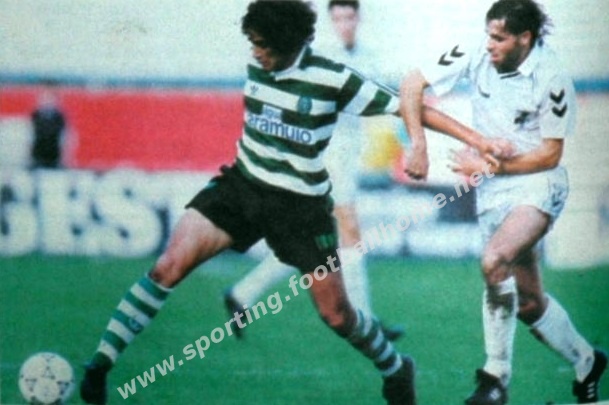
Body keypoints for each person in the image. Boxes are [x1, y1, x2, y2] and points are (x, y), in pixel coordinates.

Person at [80, 1, 500, 404]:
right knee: (167, 267)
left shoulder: (333, 79)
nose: (255, 52)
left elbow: (410, 106)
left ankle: (395, 367)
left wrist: (474, 141)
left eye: (262, 44)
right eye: (253, 42)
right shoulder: (257, 63)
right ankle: (101, 363)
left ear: (287, 43)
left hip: (301, 209)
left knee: (337, 316)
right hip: (242, 187)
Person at [400, 0, 607, 404]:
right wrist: (420, 146)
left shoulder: (552, 77)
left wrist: (489, 165)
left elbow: (550, 154)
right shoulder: (476, 50)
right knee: (528, 304)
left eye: (499, 38)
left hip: (538, 184)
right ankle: (587, 360)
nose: (489, 44)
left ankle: (495, 378)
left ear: (524, 38)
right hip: (493, 188)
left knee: (495, 260)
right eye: (488, 35)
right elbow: (411, 84)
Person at [224, 0, 404, 342]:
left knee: (307, 242)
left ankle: (242, 293)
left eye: (349, 16)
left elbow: (375, 104)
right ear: (330, 21)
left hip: (348, 154)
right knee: (349, 232)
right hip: (324, 154)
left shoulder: (369, 57)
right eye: (338, 18)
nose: (344, 24)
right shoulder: (320, 55)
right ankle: (366, 318)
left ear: (358, 18)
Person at [30, 84, 67, 169]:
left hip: (54, 159)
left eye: (50, 98)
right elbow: (29, 137)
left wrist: (63, 159)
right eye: (45, 98)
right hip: (37, 158)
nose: (47, 101)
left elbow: (65, 139)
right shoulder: (35, 115)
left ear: (56, 100)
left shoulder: (60, 117)